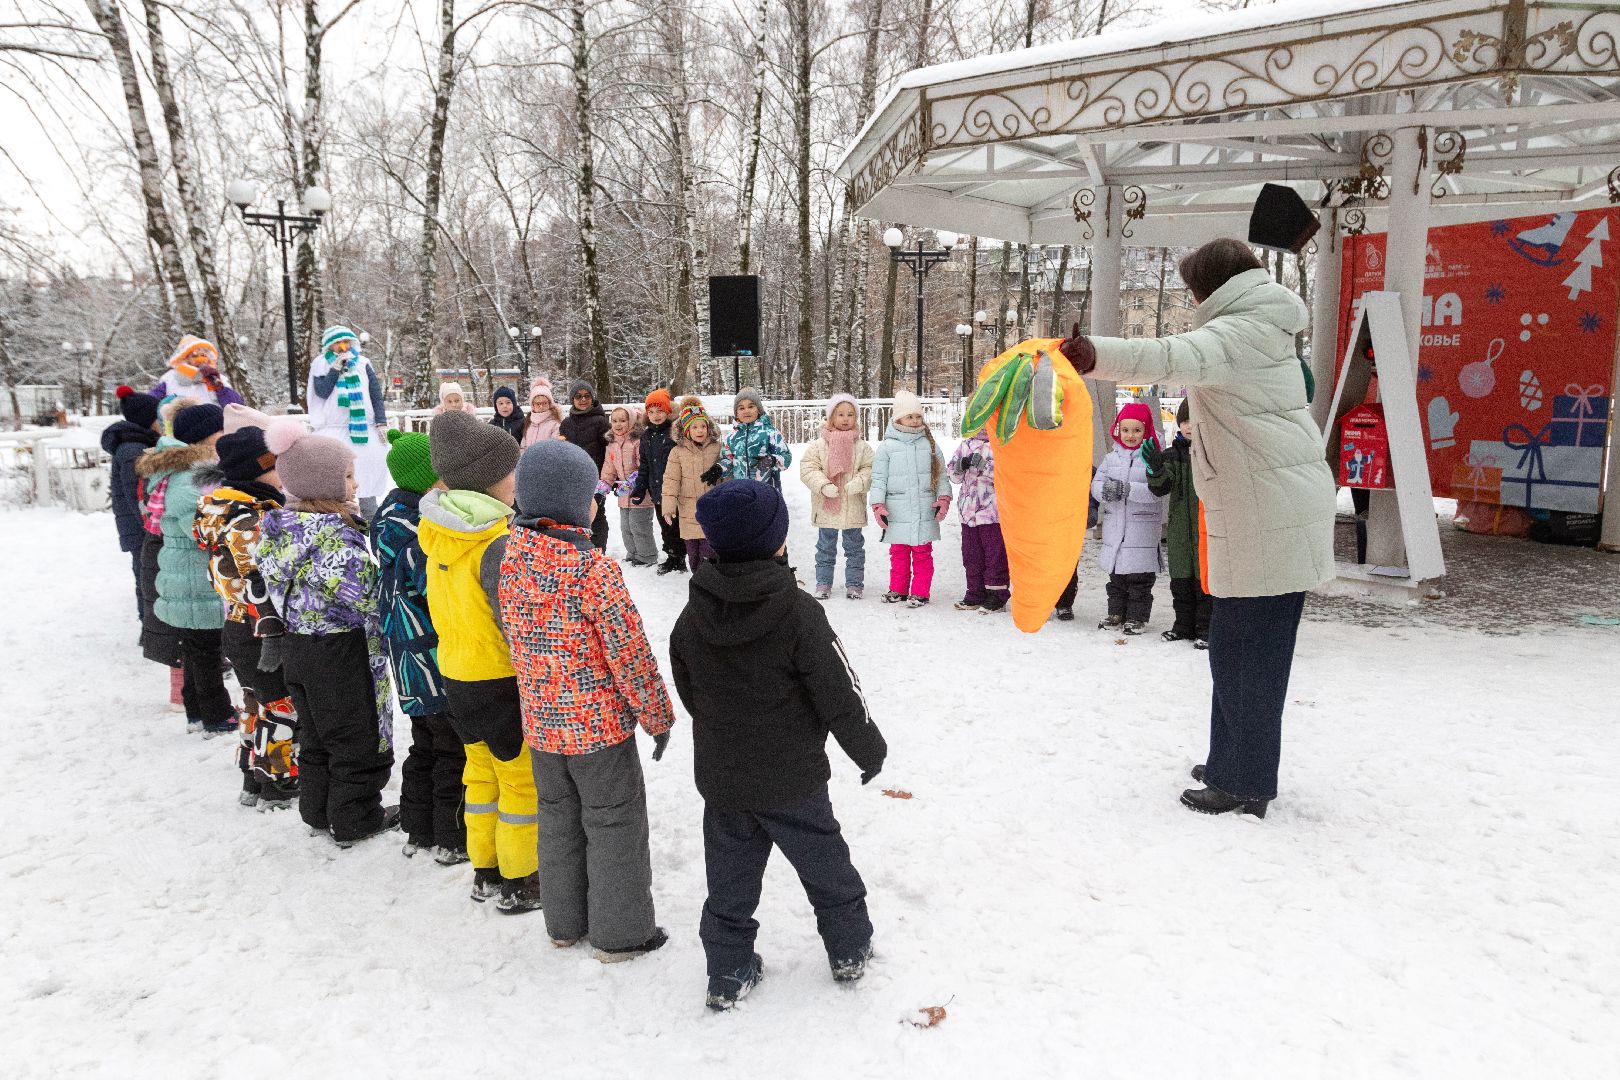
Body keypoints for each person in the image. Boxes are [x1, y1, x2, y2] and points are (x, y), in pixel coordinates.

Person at [1059, 237, 1336, 817]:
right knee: (1239, 647)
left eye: (1192, 289)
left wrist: (1089, 356)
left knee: (1247, 652)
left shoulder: (1238, 332)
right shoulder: (1259, 322)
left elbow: (1166, 356)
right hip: (1268, 504)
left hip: (1269, 509)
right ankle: (1234, 758)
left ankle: (1245, 781)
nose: (1191, 299)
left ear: (1211, 287)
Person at [669, 480, 888, 1011]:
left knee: (729, 877)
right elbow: (838, 688)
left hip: (724, 778)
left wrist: (721, 730)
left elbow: (687, 683)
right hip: (793, 778)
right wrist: (868, 747)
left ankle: (727, 969)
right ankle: (850, 947)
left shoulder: (694, 612)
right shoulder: (797, 611)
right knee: (824, 863)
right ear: (777, 541)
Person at [500, 440, 675, 961]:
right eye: (591, 495)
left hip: (541, 727)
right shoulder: (591, 571)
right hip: (598, 731)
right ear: (576, 507)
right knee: (614, 822)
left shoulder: (508, 557)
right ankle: (622, 935)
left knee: (556, 820)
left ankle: (565, 923)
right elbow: (629, 651)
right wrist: (657, 716)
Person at [417, 411, 539, 913]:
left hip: (457, 675)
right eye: (511, 474)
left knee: (480, 774)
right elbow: (512, 621)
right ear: (490, 481)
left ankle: (485, 868)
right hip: (499, 678)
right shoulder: (495, 543)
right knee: (518, 780)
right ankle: (520, 878)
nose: (517, 482)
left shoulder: (442, 532)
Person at [257, 423, 399, 846]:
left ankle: (318, 809)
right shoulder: (333, 540)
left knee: (318, 735)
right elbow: (368, 598)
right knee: (356, 735)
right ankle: (355, 817)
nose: (356, 485)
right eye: (348, 477)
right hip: (340, 651)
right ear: (323, 483)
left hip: (299, 646)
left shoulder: (283, 530)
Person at [370, 430, 468, 864]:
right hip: (432, 655)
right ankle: (450, 835)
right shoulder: (420, 534)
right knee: (451, 749)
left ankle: (419, 827)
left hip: (406, 657)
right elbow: (435, 591)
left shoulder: (389, 520)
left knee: (425, 744)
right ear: (430, 481)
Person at [194, 424, 300, 809]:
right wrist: (274, 632)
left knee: (256, 702)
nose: (283, 474)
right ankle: (278, 782)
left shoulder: (227, 510)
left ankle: (252, 776)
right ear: (258, 472)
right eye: (275, 466)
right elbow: (258, 579)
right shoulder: (248, 521)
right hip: (259, 628)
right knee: (281, 707)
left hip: (238, 624)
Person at [143, 402, 236, 737]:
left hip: (185, 576)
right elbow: (197, 530)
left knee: (197, 649)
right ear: (205, 437)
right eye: (220, 430)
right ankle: (216, 714)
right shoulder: (191, 477)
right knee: (206, 650)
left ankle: (197, 711)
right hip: (194, 577)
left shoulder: (187, 470)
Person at [869, 391, 950, 608]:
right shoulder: (886, 447)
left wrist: (943, 498)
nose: (915, 420)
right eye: (909, 416)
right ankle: (898, 589)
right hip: (897, 510)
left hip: (925, 508)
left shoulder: (930, 445)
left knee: (923, 553)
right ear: (897, 419)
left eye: (918, 416)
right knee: (899, 552)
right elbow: (878, 479)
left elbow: (941, 474)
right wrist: (878, 505)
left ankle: (921, 592)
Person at [1090, 402, 1165, 635]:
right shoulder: (1111, 457)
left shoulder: (1153, 457)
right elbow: (1096, 485)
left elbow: (1157, 490)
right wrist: (1106, 490)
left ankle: (1136, 617)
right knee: (1116, 580)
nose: (1130, 435)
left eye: (1136, 430)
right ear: (1118, 430)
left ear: (1146, 431)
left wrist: (1128, 489)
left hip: (1141, 530)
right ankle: (1116, 613)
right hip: (1116, 530)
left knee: (1139, 581)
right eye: (1125, 430)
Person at [306, 325, 391, 509]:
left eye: (345, 342)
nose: (342, 346)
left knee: (365, 478)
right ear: (329, 345)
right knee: (337, 479)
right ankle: (340, 519)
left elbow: (375, 394)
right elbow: (321, 391)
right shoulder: (321, 363)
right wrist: (335, 369)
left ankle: (370, 523)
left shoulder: (362, 363)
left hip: (362, 432)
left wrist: (381, 422)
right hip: (334, 432)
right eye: (337, 343)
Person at [1148, 399, 1211, 648]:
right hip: (1179, 533)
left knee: (1204, 582)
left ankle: (1206, 629)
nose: (1188, 427)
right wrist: (1155, 468)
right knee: (1181, 581)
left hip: (1206, 530)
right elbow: (1161, 487)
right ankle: (1183, 625)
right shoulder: (1172, 455)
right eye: (1185, 421)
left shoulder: (1210, 454)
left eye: (1194, 422)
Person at [799, 394, 873, 600]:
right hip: (826, 507)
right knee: (825, 548)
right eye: (840, 414)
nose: (845, 418)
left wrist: (859, 482)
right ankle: (823, 583)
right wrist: (822, 485)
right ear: (831, 417)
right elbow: (808, 468)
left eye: (850, 414)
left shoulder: (861, 446)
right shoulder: (819, 445)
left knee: (855, 548)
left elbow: (870, 469)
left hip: (852, 507)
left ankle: (854, 584)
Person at [104, 386, 161, 624]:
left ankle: (149, 626)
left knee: (145, 575)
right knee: (146, 577)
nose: (161, 420)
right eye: (158, 416)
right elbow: (137, 495)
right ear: (147, 419)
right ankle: (148, 626)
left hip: (139, 527)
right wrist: (151, 528)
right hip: (140, 529)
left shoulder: (136, 445)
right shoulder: (133, 451)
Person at [947, 427, 1009, 613]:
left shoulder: (1001, 443)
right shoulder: (965, 444)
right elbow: (952, 473)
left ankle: (996, 596)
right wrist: (960, 466)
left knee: (994, 555)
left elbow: (1008, 474)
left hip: (992, 512)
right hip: (968, 513)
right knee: (971, 555)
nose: (981, 426)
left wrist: (986, 467)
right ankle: (975, 593)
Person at [661, 396, 724, 570]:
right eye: (694, 426)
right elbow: (671, 480)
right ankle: (698, 581)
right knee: (693, 554)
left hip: (712, 509)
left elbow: (726, 475)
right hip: (688, 510)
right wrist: (668, 507)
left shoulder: (716, 448)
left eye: (703, 426)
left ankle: (710, 582)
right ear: (686, 430)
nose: (700, 430)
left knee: (709, 551)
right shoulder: (677, 452)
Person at [633, 388, 686, 575]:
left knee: (677, 524)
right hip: (657, 489)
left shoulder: (674, 432)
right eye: (652, 412)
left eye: (660, 411)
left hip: (676, 489)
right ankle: (672, 555)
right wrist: (640, 488)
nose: (656, 416)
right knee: (665, 524)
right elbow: (644, 465)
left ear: (668, 412)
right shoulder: (646, 436)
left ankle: (680, 556)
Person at [601, 405, 658, 567]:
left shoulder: (638, 441)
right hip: (624, 495)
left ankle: (647, 555)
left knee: (639, 525)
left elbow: (643, 468)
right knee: (626, 526)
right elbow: (608, 469)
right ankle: (633, 553)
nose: (618, 425)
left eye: (623, 420)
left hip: (641, 494)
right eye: (615, 421)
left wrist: (629, 483)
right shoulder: (612, 444)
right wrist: (603, 486)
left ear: (631, 421)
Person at [560, 380, 613, 551]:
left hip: (595, 476)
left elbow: (609, 450)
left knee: (596, 513)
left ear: (592, 398)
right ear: (572, 399)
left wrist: (606, 476)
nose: (583, 400)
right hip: (572, 477)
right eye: (578, 396)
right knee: (575, 514)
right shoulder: (567, 423)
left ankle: (598, 548)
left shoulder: (601, 421)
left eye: (587, 396)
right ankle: (579, 547)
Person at [720, 387, 792, 488]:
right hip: (741, 491)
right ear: (736, 413)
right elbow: (727, 460)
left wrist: (771, 460)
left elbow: (786, 457)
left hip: (767, 490)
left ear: (758, 409)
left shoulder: (770, 433)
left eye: (751, 406)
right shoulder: (731, 438)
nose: (746, 411)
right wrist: (719, 468)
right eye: (741, 408)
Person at [150, 336, 244, 408]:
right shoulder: (170, 378)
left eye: (203, 355)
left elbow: (237, 406)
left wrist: (220, 389)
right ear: (185, 358)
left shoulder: (218, 379)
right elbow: (151, 402)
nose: (200, 359)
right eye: (194, 356)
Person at [521, 377, 562, 447]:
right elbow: (523, 446)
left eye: (544, 403)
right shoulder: (528, 423)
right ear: (533, 405)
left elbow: (555, 447)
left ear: (549, 403)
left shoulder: (555, 424)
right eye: (538, 404)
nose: (541, 406)